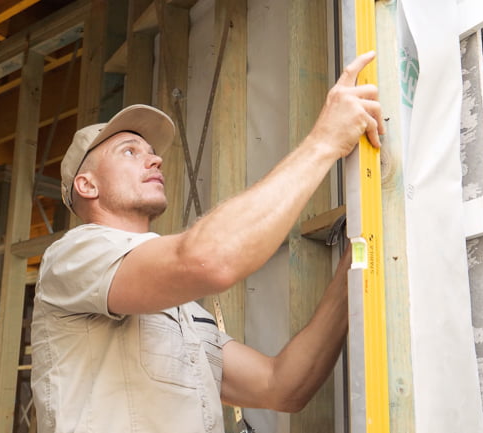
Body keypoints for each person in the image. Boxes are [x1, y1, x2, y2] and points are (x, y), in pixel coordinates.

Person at [30, 51, 384, 433]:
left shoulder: (182, 312)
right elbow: (208, 259)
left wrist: (354, 267)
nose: (154, 161)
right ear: (87, 185)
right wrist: (324, 142)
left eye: (153, 154)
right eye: (130, 152)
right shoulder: (73, 257)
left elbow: (280, 387)